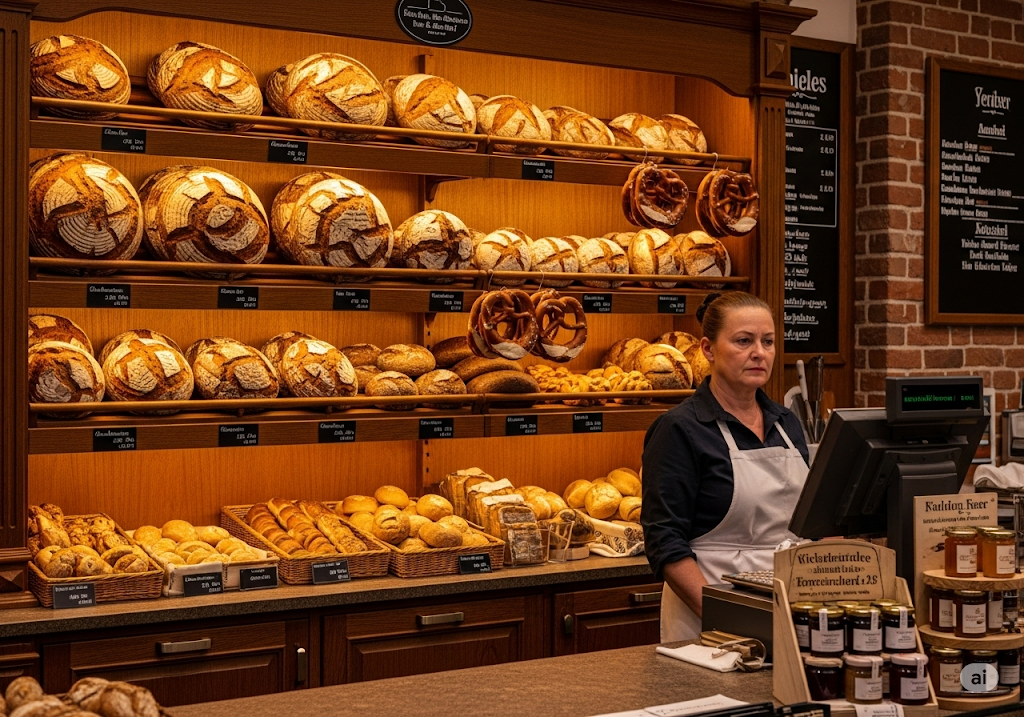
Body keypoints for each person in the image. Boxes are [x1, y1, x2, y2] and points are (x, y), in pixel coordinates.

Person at [641, 291, 809, 642]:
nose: (759, 353)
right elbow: (665, 543)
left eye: (767, 342)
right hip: (709, 620)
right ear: (708, 349)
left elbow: (810, 525)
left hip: (789, 611)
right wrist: (726, 621)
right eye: (744, 341)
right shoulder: (679, 430)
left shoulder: (786, 423)